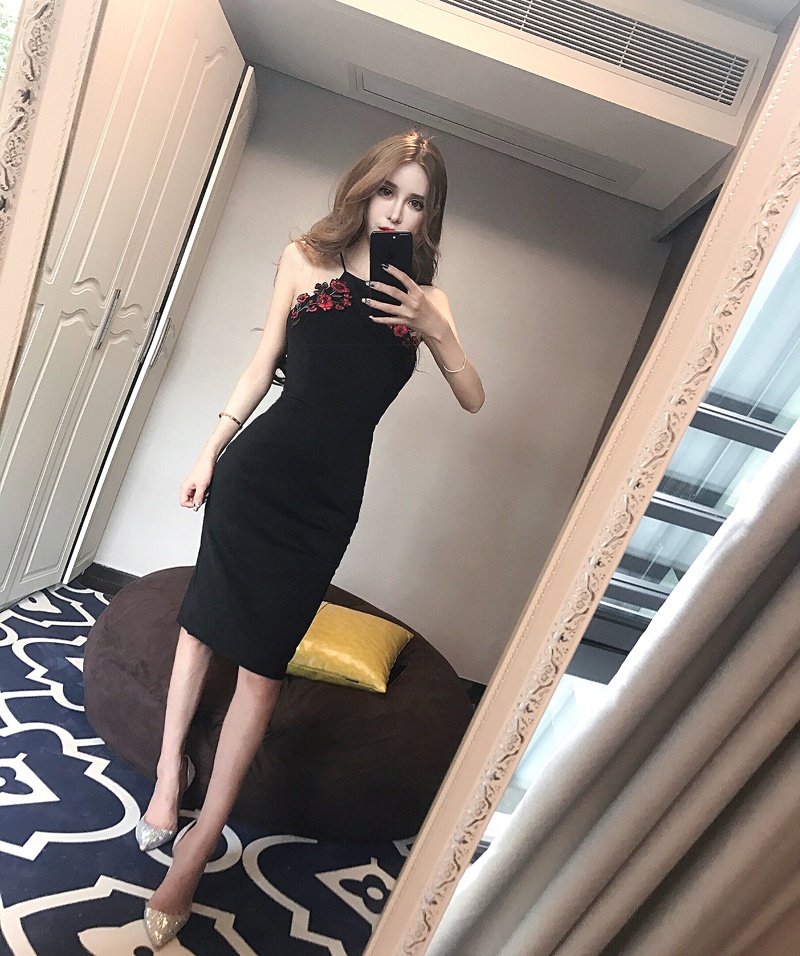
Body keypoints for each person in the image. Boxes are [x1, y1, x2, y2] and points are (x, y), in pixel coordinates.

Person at [137, 129, 484, 948]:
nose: (395, 211)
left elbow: (473, 396)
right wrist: (210, 449)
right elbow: (263, 364)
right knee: (199, 624)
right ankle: (167, 775)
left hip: (326, 503)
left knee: (262, 673)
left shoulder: (428, 302)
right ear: (363, 189)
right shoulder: (306, 260)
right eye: (387, 192)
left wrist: (435, 329)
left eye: (415, 201)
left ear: (429, 216)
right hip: (256, 478)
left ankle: (199, 845)